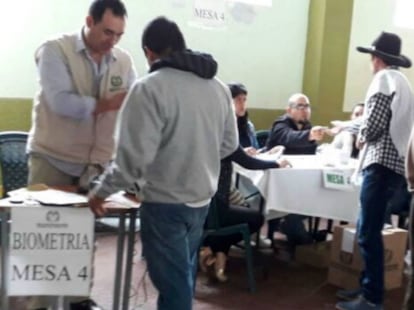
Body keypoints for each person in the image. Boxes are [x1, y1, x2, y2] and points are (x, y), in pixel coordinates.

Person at [88, 16, 238, 310]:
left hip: (165, 202)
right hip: (201, 200)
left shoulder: (149, 88)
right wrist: (197, 157)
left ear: (149, 52)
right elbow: (230, 144)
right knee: (183, 273)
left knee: (173, 283)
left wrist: (101, 192)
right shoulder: (218, 87)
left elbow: (132, 158)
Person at [26, 1, 135, 309]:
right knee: (44, 237)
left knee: (82, 236)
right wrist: (108, 104)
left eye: (119, 35)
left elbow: (134, 100)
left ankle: (78, 299)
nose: (112, 41)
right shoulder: (55, 50)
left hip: (95, 164)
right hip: (53, 158)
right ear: (89, 21)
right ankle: (40, 304)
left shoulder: (123, 61)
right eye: (107, 32)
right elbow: (61, 102)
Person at [336, 32, 414, 310]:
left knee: (368, 231)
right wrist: (347, 127)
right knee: (371, 229)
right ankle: (367, 288)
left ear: (376, 58)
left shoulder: (383, 80)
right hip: (393, 167)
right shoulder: (401, 81)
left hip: (380, 165)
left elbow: (375, 124)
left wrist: (361, 133)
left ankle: (371, 299)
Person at [200, 146, 289, 282]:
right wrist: (276, 164)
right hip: (216, 209)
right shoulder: (225, 139)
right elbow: (249, 163)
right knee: (256, 218)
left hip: (195, 206)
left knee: (236, 216)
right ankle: (215, 250)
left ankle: (215, 253)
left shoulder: (202, 137)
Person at [265, 93, 325, 246]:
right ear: (289, 110)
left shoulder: (307, 126)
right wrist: (309, 136)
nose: (305, 110)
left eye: (307, 106)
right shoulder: (280, 124)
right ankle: (302, 239)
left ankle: (298, 232)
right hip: (277, 182)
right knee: (297, 209)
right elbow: (289, 137)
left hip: (300, 179)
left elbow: (311, 152)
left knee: (319, 193)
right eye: (300, 106)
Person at [228, 83, 259, 154]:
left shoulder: (249, 126)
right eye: (238, 100)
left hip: (249, 163)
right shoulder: (222, 125)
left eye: (244, 100)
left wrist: (268, 151)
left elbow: (255, 150)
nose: (242, 104)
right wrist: (243, 152)